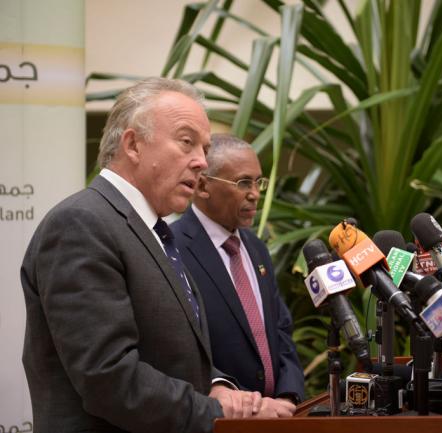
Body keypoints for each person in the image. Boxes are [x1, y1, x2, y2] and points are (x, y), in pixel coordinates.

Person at [21, 78, 279, 433]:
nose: (202, 162)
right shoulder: (82, 223)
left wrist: (217, 385)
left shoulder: (154, 230)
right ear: (133, 145)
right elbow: (109, 378)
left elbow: (170, 353)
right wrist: (216, 413)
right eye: (187, 142)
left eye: (204, 149)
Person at [170, 134, 304, 412]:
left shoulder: (256, 248)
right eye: (243, 183)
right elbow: (178, 347)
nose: (255, 194)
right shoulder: (172, 248)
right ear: (203, 186)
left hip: (277, 415)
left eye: (258, 182)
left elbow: (280, 330)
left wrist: (288, 396)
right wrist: (251, 407)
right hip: (223, 416)